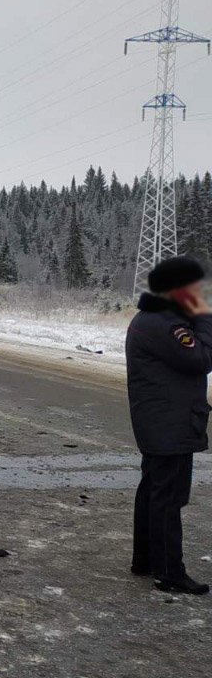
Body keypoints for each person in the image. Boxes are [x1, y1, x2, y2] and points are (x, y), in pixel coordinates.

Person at [127, 255, 212, 595]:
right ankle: (169, 572)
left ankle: (146, 560)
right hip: (169, 424)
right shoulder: (165, 323)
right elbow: (201, 358)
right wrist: (204, 317)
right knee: (168, 497)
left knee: (153, 491)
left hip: (160, 421)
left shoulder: (151, 318)